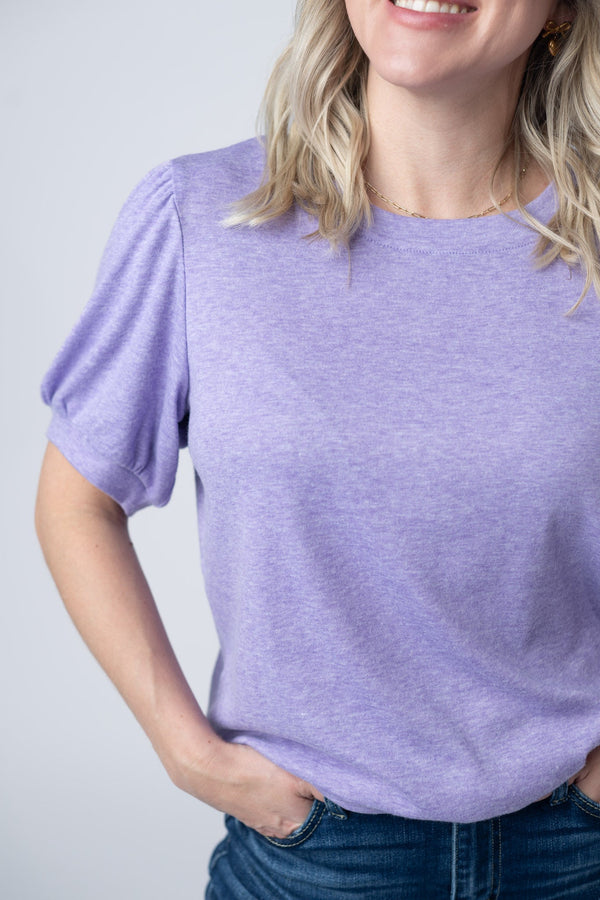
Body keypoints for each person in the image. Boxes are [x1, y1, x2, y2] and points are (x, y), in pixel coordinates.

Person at [35, 0, 600, 896]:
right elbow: (78, 501)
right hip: (314, 857)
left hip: (579, 851)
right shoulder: (202, 219)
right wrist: (189, 753)